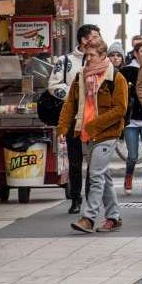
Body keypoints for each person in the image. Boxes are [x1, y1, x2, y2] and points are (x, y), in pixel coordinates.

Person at [58, 39, 129, 234]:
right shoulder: (81, 76)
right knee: (103, 176)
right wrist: (63, 127)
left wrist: (96, 124)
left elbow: (120, 109)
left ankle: (88, 218)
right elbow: (70, 104)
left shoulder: (116, 78)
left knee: (95, 175)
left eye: (92, 55)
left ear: (103, 55)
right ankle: (114, 217)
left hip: (107, 134)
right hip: (86, 133)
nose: (88, 58)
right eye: (86, 55)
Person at [49, 23, 103, 214]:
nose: (97, 40)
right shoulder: (66, 61)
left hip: (94, 117)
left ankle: (90, 196)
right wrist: (75, 95)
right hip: (73, 117)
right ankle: (75, 198)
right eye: (94, 37)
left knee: (94, 160)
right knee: (74, 160)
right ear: (84, 39)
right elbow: (53, 85)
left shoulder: (101, 60)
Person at [122, 38, 142, 195]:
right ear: (135, 53)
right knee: (133, 156)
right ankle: (129, 175)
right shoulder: (126, 71)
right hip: (131, 120)